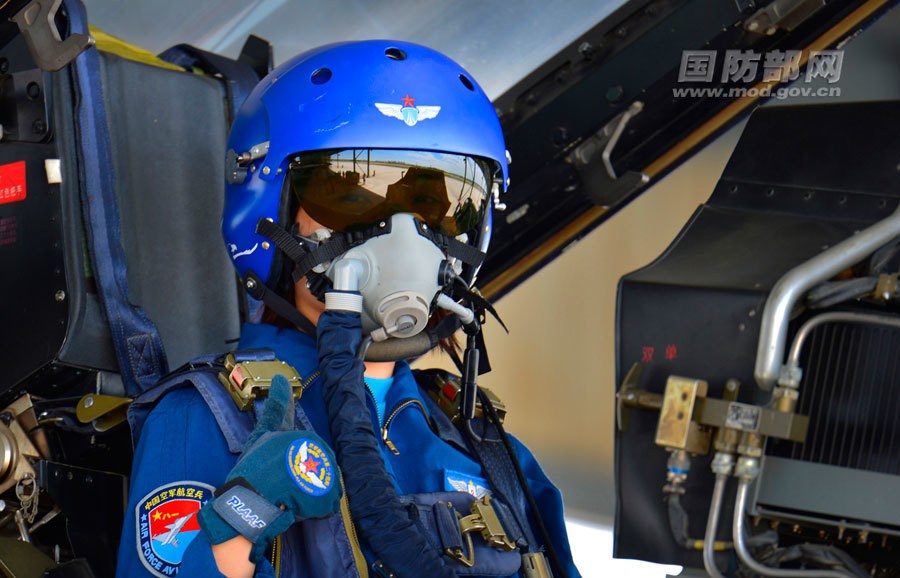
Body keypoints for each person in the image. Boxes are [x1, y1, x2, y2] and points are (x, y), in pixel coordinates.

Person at [116, 40, 581, 578]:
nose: (405, 239)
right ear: (275, 211)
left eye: (437, 209)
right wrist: (240, 516)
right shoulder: (211, 421)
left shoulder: (486, 448)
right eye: (355, 198)